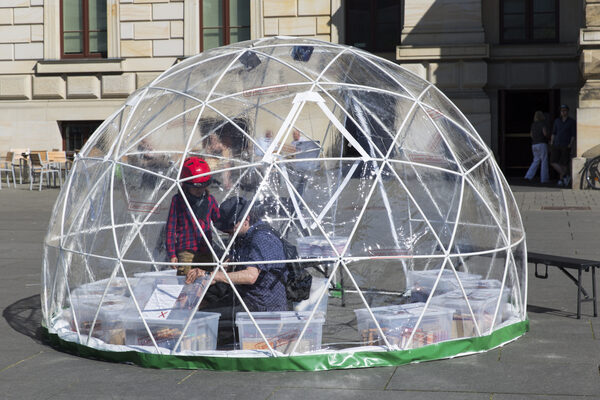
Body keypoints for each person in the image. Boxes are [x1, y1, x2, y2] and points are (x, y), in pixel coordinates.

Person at [185, 196, 288, 346]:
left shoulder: (262, 238)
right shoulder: (242, 236)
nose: (227, 233)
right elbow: (227, 264)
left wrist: (213, 275)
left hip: (261, 305)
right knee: (201, 312)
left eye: (230, 228)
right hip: (243, 296)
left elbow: (251, 276)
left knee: (204, 322)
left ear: (246, 219)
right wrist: (203, 279)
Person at [166, 157, 220, 276]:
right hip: (186, 250)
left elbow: (218, 220)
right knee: (186, 282)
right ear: (186, 185)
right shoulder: (178, 201)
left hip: (205, 249)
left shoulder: (210, 200)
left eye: (202, 186)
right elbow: (170, 228)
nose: (199, 190)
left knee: (208, 282)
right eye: (195, 187)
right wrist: (172, 254)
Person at [550, 104, 576, 186]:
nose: (563, 112)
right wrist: (551, 142)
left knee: (564, 163)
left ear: (567, 111)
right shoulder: (557, 121)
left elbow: (573, 135)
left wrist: (570, 144)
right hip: (557, 143)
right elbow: (554, 133)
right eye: (562, 111)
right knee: (553, 161)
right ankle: (565, 175)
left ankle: (562, 179)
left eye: (565, 110)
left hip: (566, 144)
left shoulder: (571, 121)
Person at [524, 111, 550, 184]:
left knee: (536, 160)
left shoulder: (533, 124)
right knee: (544, 161)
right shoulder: (543, 124)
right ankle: (544, 179)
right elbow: (545, 133)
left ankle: (528, 176)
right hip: (542, 143)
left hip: (534, 144)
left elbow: (531, 135)